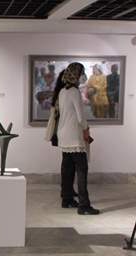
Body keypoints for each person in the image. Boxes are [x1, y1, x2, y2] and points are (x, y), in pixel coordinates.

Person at [53, 62, 99, 215]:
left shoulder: (62, 91)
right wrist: (86, 129)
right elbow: (80, 117)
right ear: (77, 75)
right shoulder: (74, 92)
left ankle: (67, 199)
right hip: (74, 136)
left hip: (63, 135)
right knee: (81, 170)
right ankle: (84, 205)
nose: (83, 76)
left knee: (67, 169)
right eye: (82, 73)